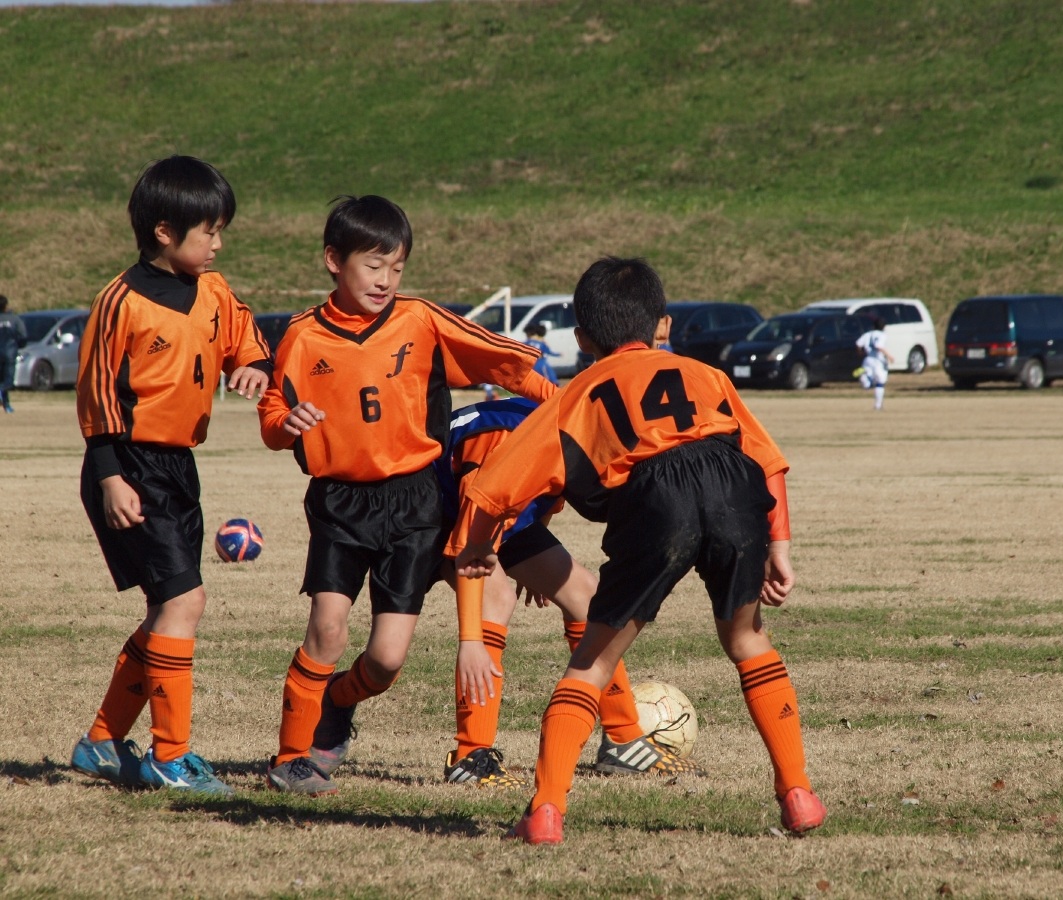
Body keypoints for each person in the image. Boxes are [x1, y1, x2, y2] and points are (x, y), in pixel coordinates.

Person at [455, 257, 824, 844]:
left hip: (657, 497)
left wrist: (477, 547)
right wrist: (779, 544)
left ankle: (545, 811)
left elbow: (493, 485)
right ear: (663, 326)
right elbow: (768, 462)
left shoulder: (576, 396)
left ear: (582, 338)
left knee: (593, 662)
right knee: (748, 639)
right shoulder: (706, 375)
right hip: (731, 487)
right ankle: (797, 792)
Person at [257, 194, 557, 796]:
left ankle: (338, 702)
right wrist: (284, 423)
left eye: (397, 268)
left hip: (416, 503)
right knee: (327, 628)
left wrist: (571, 408)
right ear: (334, 261)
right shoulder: (302, 335)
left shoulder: (422, 321)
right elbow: (272, 412)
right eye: (373, 266)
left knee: (387, 659)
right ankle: (291, 757)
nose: (385, 280)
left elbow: (507, 367)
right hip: (340, 502)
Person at [70, 156, 272, 796]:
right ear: (164, 231)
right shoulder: (120, 301)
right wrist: (110, 477)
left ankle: (101, 743)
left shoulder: (213, 290)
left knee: (168, 608)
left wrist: (253, 366)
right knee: (185, 602)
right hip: (129, 464)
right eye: (209, 231)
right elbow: (97, 393)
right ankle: (170, 756)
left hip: (179, 466)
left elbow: (244, 335)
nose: (218, 244)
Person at [437, 396, 704, 787]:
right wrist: (470, 641)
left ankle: (622, 740)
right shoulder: (510, 440)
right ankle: (470, 754)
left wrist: (529, 566)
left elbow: (544, 499)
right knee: (496, 599)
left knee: (586, 596)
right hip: (441, 510)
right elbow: (471, 521)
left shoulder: (571, 438)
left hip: (488, 509)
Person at [854, 315, 894, 410]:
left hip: (868, 359)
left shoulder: (867, 334)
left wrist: (860, 353)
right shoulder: (882, 335)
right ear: (883, 327)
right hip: (878, 360)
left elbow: (858, 344)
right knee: (880, 383)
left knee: (869, 384)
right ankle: (878, 405)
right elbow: (878, 346)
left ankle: (865, 377)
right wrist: (889, 356)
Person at [0, 295, 26, 414]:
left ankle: (6, 405)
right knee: (8, 381)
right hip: (9, 353)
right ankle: (5, 402)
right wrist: (19, 346)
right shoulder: (15, 320)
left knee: (1, 380)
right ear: (6, 305)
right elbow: (23, 336)